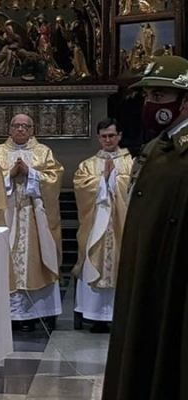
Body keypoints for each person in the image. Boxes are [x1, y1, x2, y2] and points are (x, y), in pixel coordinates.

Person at [103, 55, 188, 400]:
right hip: (147, 266)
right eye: (147, 97)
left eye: (160, 97)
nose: (150, 105)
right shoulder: (158, 147)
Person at [0, 114, 63, 332]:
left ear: (32, 130)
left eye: (25, 126)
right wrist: (9, 175)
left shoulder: (43, 152)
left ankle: (37, 313)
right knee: (7, 259)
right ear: (9, 129)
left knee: (37, 258)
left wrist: (30, 173)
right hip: (7, 217)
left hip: (35, 217)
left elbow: (54, 178)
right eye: (16, 126)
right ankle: (8, 314)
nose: (20, 129)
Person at [72, 118, 133, 333]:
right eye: (104, 136)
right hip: (95, 223)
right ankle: (95, 316)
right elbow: (81, 186)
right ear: (98, 138)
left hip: (120, 226)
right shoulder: (88, 164)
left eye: (112, 135)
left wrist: (115, 178)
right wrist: (101, 180)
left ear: (119, 136)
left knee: (120, 263)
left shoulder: (131, 162)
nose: (108, 139)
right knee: (92, 262)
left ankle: (118, 315)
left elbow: (135, 185)